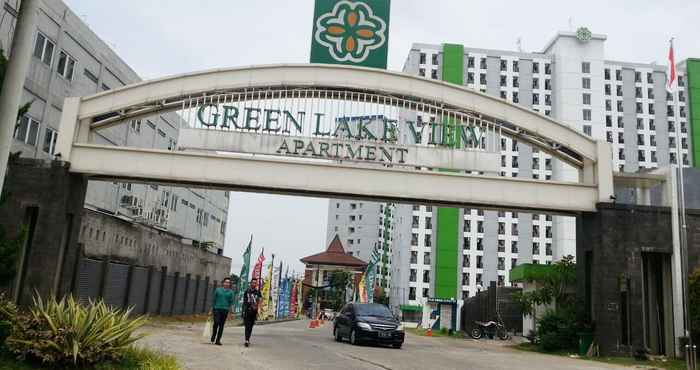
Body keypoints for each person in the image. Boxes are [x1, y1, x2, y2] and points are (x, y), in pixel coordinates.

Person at [210, 277, 235, 345]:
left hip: (225, 310)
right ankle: (213, 335)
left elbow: (231, 303)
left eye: (228, 282)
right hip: (217, 309)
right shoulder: (218, 290)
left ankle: (218, 340)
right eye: (226, 282)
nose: (227, 283)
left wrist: (232, 312)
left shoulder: (231, 292)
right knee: (216, 322)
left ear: (230, 284)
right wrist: (210, 310)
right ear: (223, 283)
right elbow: (214, 300)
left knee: (221, 325)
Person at [242, 278, 262, 347]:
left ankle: (248, 338)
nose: (254, 284)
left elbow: (260, 301)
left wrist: (258, 310)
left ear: (256, 284)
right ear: (250, 283)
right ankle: (246, 340)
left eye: (255, 283)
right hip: (247, 311)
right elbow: (244, 302)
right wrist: (243, 311)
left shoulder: (258, 292)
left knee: (250, 326)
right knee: (247, 326)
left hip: (254, 312)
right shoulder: (247, 291)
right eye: (252, 283)